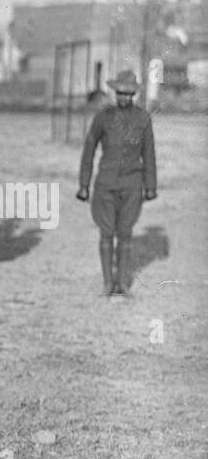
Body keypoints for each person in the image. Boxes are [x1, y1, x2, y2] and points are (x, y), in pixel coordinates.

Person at [77, 69, 157, 296]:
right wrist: (84, 184)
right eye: (120, 93)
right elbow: (89, 150)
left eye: (128, 94)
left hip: (132, 183)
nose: (124, 98)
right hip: (106, 184)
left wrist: (150, 186)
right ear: (115, 93)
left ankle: (122, 283)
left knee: (125, 232)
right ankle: (107, 283)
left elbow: (149, 153)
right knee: (105, 232)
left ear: (134, 95)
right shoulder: (103, 117)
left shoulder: (143, 119)